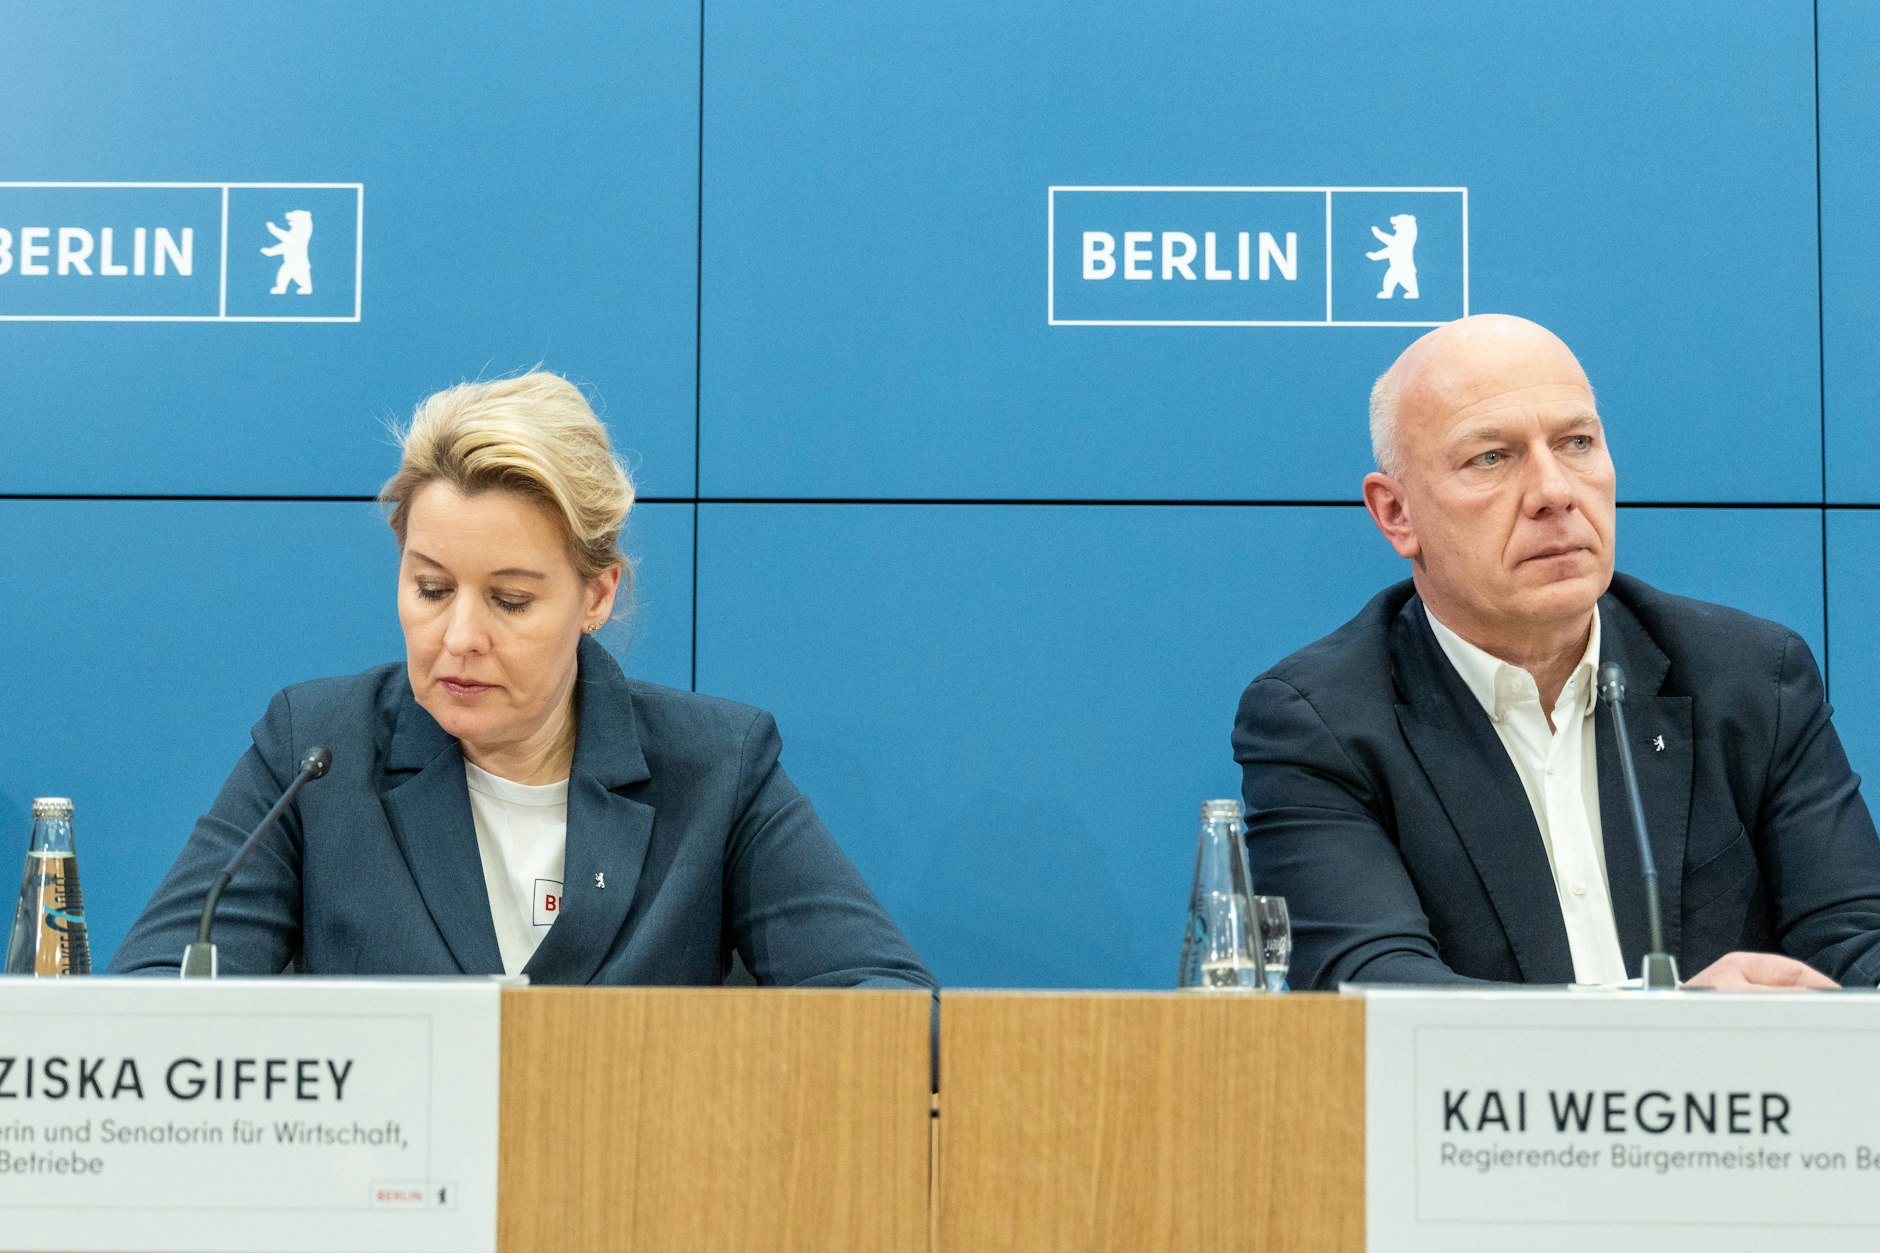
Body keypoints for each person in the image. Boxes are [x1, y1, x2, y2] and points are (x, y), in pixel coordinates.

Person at [112, 372, 934, 990]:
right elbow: (151, 1000)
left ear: (596, 595)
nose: (459, 637)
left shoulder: (716, 766)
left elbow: (888, 1006)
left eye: (509, 600)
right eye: (431, 588)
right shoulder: (315, 751)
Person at [1232, 314, 1880, 991]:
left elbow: (1856, 943)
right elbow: (1378, 990)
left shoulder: (1751, 678)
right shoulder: (1324, 723)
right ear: (1397, 513)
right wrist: (1668, 1022)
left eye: (1577, 443)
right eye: (1492, 457)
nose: (1554, 492)